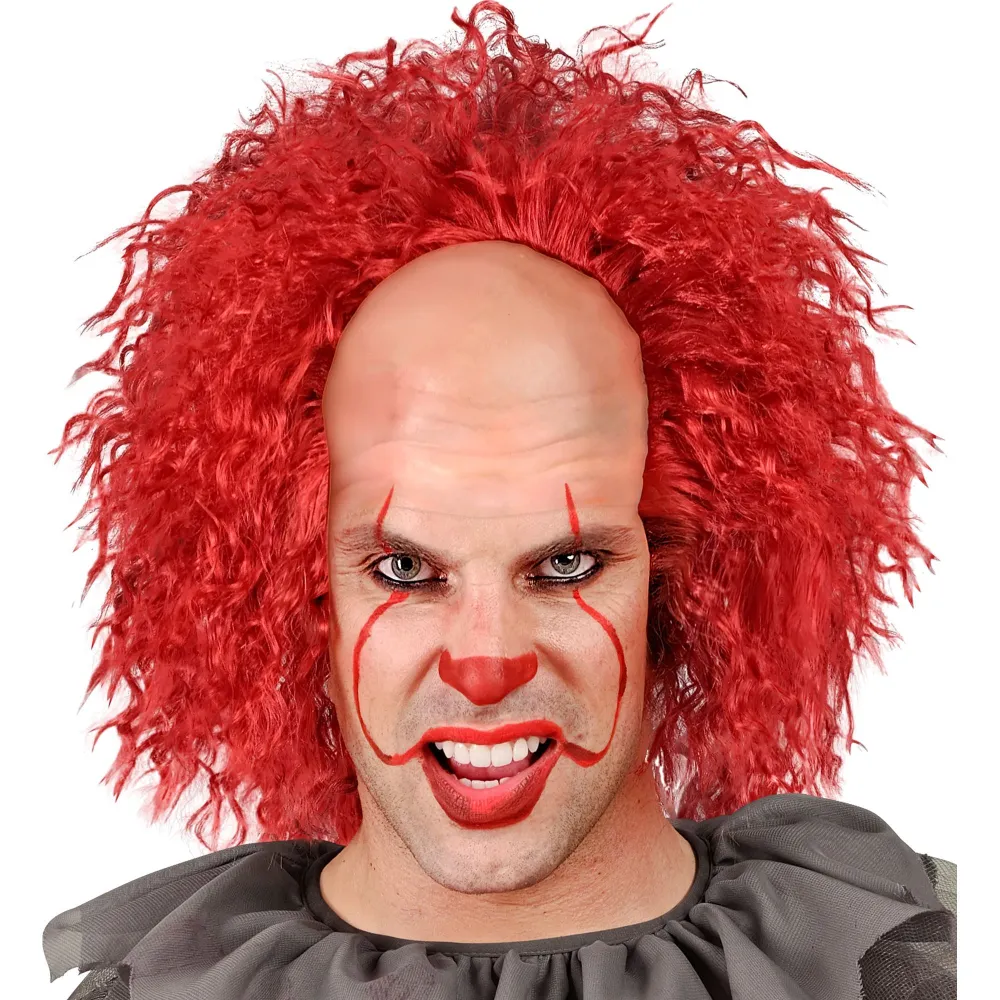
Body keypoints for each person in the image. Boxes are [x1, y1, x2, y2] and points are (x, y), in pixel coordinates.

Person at [41, 3, 957, 998]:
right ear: (299, 598)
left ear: (688, 586)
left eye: (566, 564)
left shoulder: (894, 957)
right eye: (404, 568)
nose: (484, 664)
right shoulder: (174, 983)